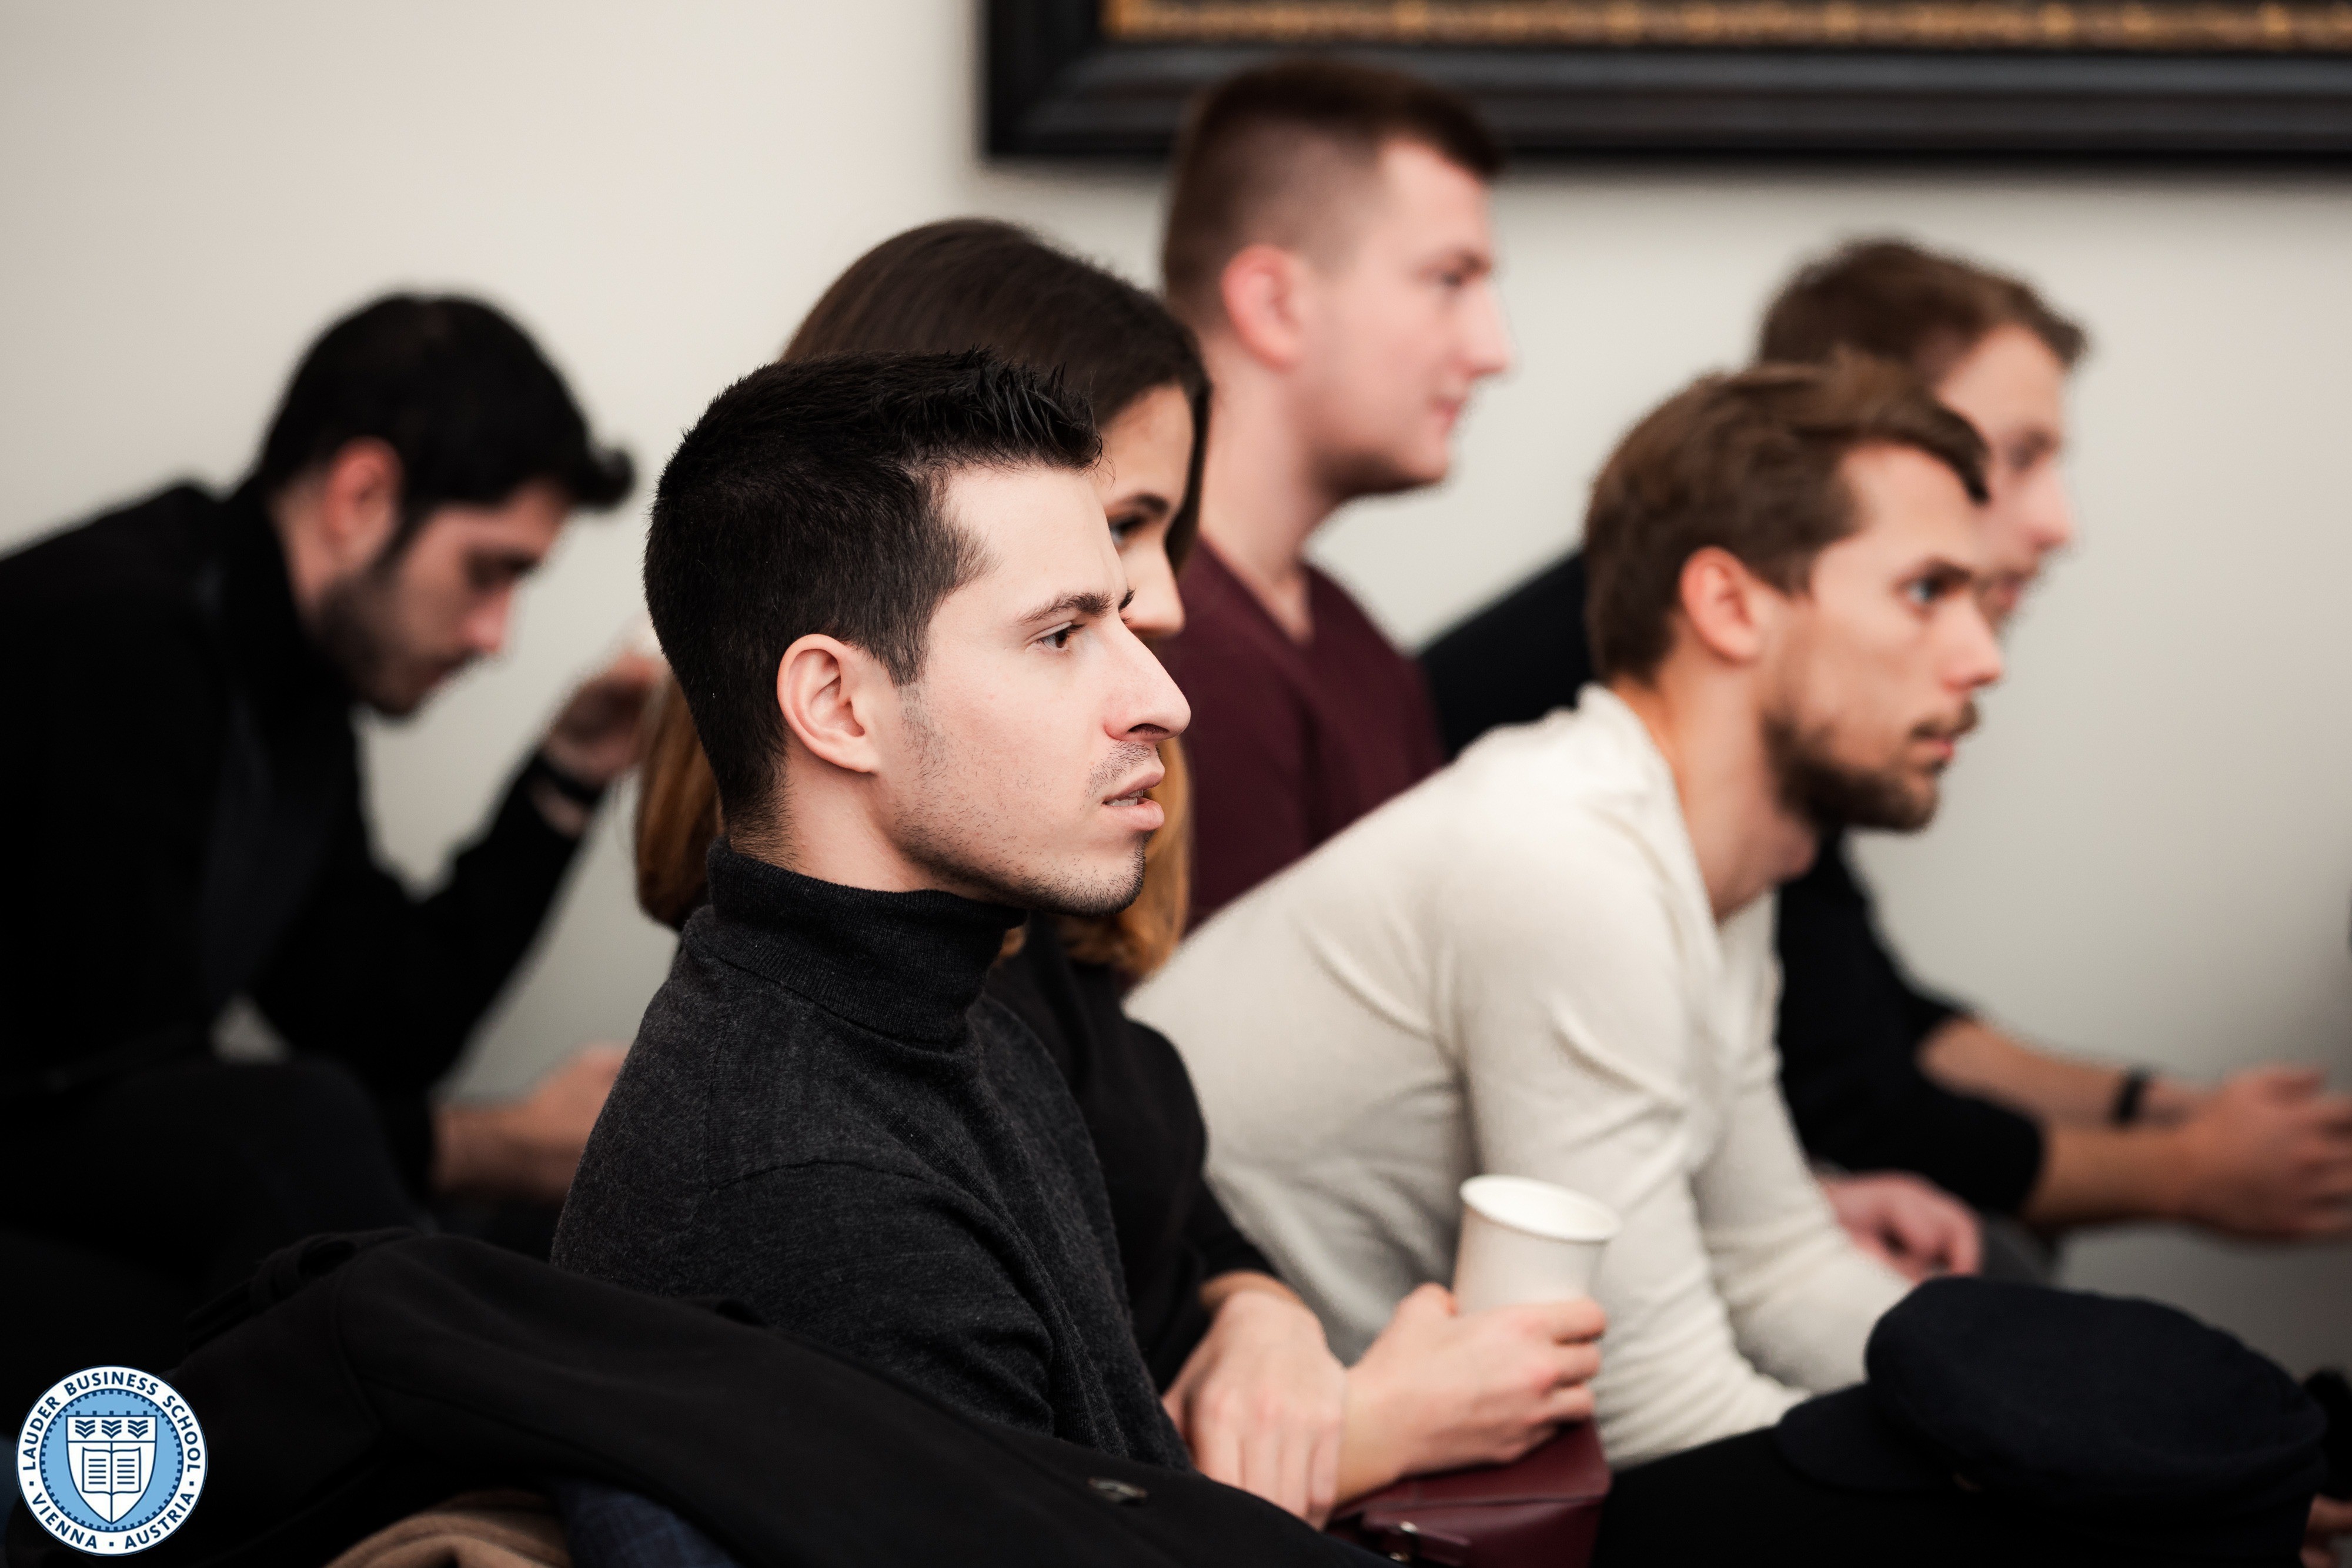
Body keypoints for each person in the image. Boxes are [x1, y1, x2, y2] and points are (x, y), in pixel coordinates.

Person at [1134, 357, 2352, 1562]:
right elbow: (1660, 1417)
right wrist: (2107, 1502)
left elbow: (1776, 1264)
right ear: (1727, 605)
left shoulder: (1697, 866)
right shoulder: (1563, 860)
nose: (1981, 658)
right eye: (1927, 590)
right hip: (1230, 1476)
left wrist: (2108, 1435)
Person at [623, 222, 1603, 1523]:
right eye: (1062, 626)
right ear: (840, 703)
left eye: (1138, 554)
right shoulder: (821, 1189)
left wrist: (1254, 1306)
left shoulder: (963, 1016)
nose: (1167, 668)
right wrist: (1365, 1429)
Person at [1421, 239, 2352, 1246]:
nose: (2059, 524)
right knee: (1981, 1254)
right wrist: (2185, 1170)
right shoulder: (1607, 751)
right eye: (2020, 455)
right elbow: (1853, 1100)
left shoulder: (1772, 737)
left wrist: (2155, 1105)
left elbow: (1864, 1014)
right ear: (1880, 438)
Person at [0, 294, 647, 1410]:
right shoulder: (106, 632)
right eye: (488, 571)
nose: (498, 637)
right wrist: (477, 1146)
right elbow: (110, 1089)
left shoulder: (294, 688)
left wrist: (567, 774)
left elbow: (383, 1025)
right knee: (310, 1143)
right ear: (362, 495)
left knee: (510, 1237)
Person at [1155, 58, 1509, 926]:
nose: (1495, 348)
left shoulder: (1355, 645)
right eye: (1449, 280)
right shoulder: (1162, 655)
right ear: (1274, 303)